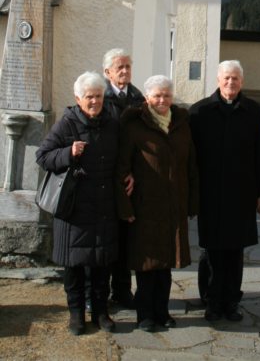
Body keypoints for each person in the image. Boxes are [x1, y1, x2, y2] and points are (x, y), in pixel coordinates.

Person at [36, 72, 120, 336]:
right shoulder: (67, 124)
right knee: (73, 268)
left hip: (104, 207)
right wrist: (68, 153)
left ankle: (100, 312)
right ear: (78, 99)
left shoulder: (112, 123)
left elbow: (121, 156)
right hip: (74, 209)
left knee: (101, 264)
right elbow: (43, 156)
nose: (95, 101)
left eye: (98, 96)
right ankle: (76, 315)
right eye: (89, 97)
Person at [116, 75, 198, 332]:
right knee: (147, 264)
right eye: (157, 96)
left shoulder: (181, 124)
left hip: (174, 205)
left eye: (167, 96)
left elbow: (191, 165)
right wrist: (125, 205)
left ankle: (162, 312)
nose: (162, 100)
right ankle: (145, 315)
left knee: (166, 264)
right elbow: (122, 167)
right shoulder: (135, 125)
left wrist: (192, 201)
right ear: (147, 98)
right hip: (145, 206)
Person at [189, 60, 260, 322]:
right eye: (226, 78)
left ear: (242, 82)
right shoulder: (199, 112)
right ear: (218, 80)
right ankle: (211, 301)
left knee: (235, 251)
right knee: (211, 249)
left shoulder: (253, 111)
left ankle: (231, 301)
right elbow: (191, 157)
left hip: (241, 193)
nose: (230, 83)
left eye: (235, 79)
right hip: (210, 193)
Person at [102, 48, 145, 308]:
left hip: (130, 180)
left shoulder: (139, 99)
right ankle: (98, 292)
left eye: (128, 67)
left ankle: (122, 290)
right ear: (107, 72)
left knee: (126, 238)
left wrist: (135, 173)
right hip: (106, 178)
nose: (125, 71)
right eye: (120, 67)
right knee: (106, 237)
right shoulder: (100, 99)